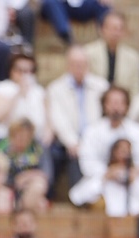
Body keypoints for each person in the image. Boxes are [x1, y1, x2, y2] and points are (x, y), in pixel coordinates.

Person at [68, 85, 139, 207]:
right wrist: (110, 172)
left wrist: (135, 171)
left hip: (134, 180)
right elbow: (87, 163)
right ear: (104, 105)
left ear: (127, 106)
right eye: (112, 102)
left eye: (120, 103)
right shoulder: (92, 131)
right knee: (87, 191)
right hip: (104, 178)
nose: (116, 107)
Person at [46, 44, 107, 198]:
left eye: (83, 64)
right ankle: (54, 195)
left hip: (96, 140)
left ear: (88, 65)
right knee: (57, 153)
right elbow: (58, 118)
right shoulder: (56, 88)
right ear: (68, 65)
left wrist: (91, 142)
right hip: (68, 142)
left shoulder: (101, 86)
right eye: (75, 64)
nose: (79, 68)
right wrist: (72, 142)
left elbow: (104, 117)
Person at [0, 51, 48, 145]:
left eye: (29, 71)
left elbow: (48, 119)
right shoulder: (1, 88)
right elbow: (0, 117)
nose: (24, 74)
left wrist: (47, 136)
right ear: (11, 70)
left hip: (34, 140)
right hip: (3, 139)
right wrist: (19, 93)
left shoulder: (39, 91)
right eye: (20, 70)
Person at [95, 136, 139, 216]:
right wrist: (107, 176)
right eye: (121, 150)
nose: (125, 153)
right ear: (114, 152)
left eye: (127, 150)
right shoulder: (104, 174)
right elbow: (82, 195)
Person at [84, 11, 139, 98]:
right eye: (113, 28)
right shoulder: (87, 52)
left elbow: (136, 89)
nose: (116, 33)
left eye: (120, 29)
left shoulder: (134, 57)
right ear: (102, 29)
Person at [39, 0, 110, 44]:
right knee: (50, 3)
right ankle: (66, 36)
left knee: (104, 5)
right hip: (60, 5)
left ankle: (108, 33)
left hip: (83, 5)